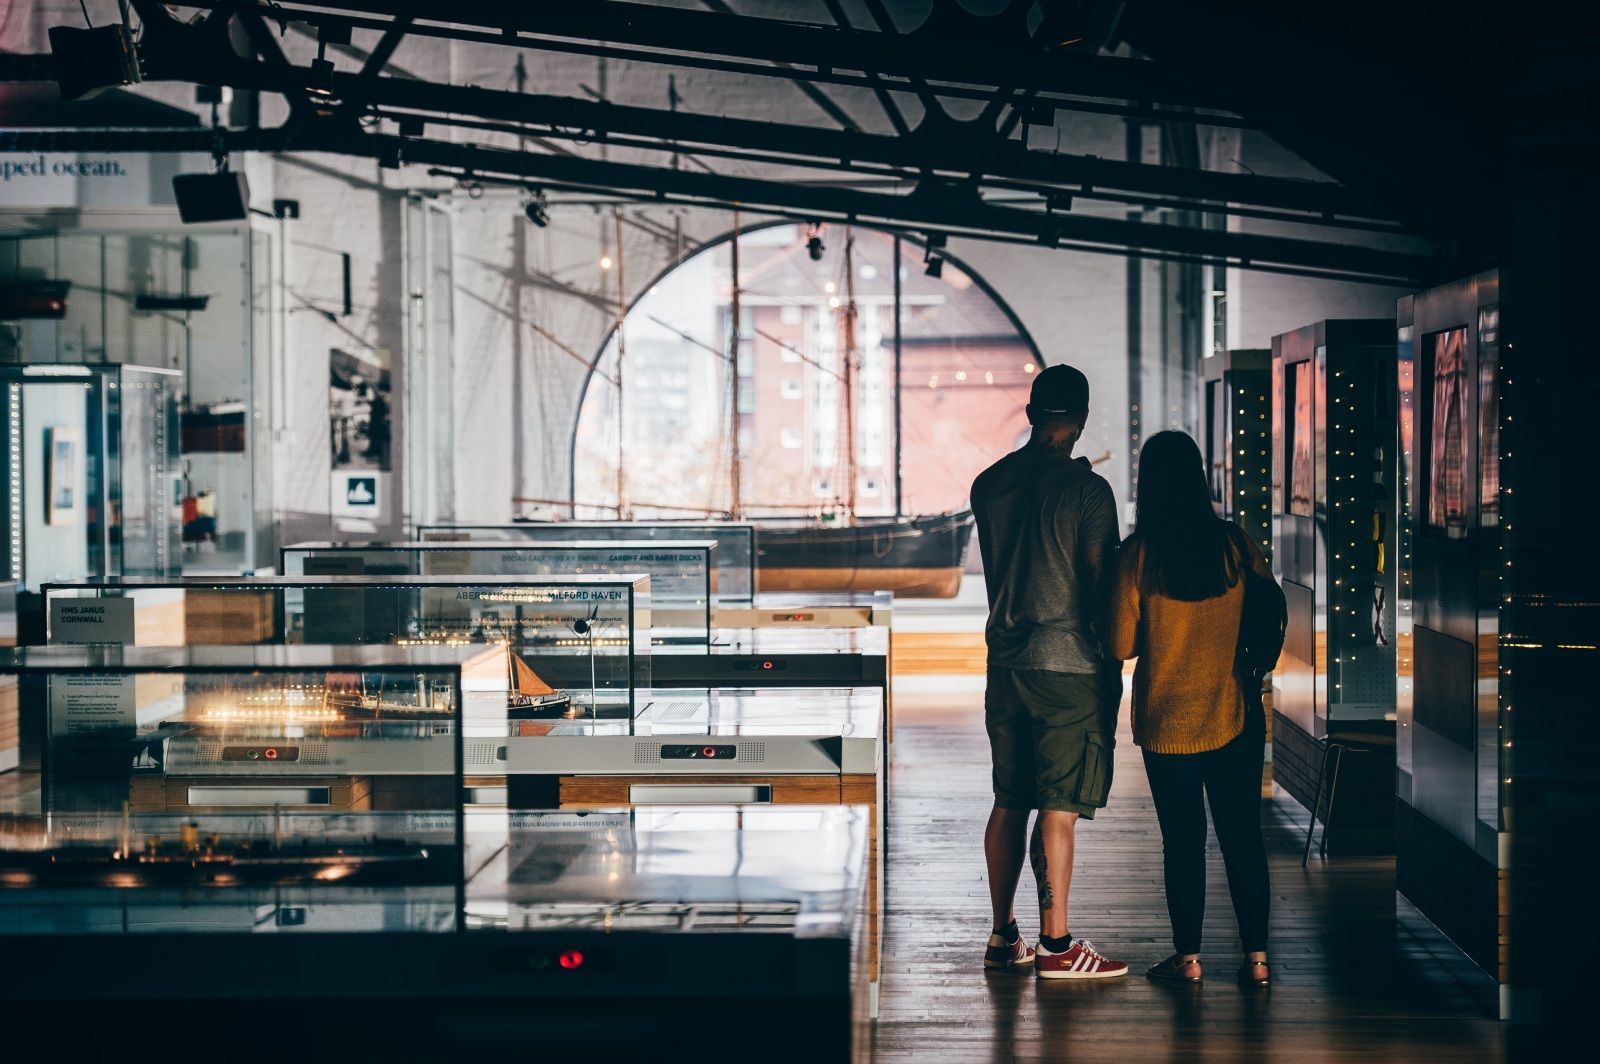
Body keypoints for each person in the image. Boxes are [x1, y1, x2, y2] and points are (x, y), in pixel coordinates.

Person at [970, 363, 1128, 980]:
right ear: (1081, 418)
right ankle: (1058, 947)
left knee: (1010, 799)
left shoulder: (989, 485)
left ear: (1032, 413)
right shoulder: (1090, 492)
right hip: (1069, 669)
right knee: (1058, 807)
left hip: (1005, 664)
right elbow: (1097, 582)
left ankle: (1004, 935)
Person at [1106, 430, 1273, 987]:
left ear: (1147, 484)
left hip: (1166, 723)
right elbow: (1268, 608)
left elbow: (1119, 645)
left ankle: (1189, 960)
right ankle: (1257, 960)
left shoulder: (1139, 557)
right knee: (1243, 837)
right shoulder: (1235, 544)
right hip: (1235, 714)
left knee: (1183, 841)